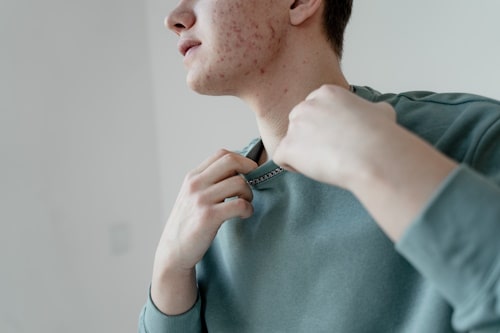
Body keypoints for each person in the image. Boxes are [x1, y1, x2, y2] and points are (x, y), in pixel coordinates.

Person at [139, 0, 500, 332]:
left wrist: (378, 158)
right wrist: (169, 271)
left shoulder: (476, 136)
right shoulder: (206, 216)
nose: (174, 18)